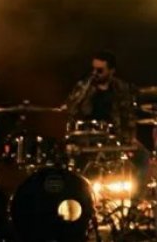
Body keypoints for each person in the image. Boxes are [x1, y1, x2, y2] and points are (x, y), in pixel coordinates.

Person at [63, 50, 149, 191]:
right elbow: (70, 107)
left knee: (143, 157)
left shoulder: (121, 87)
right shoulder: (84, 86)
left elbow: (128, 115)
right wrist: (85, 87)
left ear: (111, 71)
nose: (95, 73)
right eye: (93, 69)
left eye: (100, 70)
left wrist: (130, 137)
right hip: (87, 136)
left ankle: (135, 198)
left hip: (114, 135)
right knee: (74, 161)